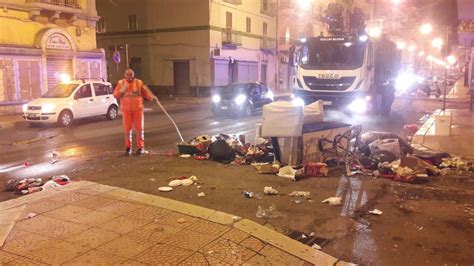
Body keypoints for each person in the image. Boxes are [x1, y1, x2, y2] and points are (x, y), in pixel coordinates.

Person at [114, 68, 156, 156]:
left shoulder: (139, 82)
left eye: (131, 74)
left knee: (139, 129)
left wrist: (151, 97)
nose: (129, 76)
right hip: (126, 110)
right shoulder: (121, 83)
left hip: (138, 109)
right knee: (127, 129)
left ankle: (141, 147)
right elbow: (116, 95)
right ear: (125, 75)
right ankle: (128, 147)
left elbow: (146, 93)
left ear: (134, 75)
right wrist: (122, 90)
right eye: (128, 74)